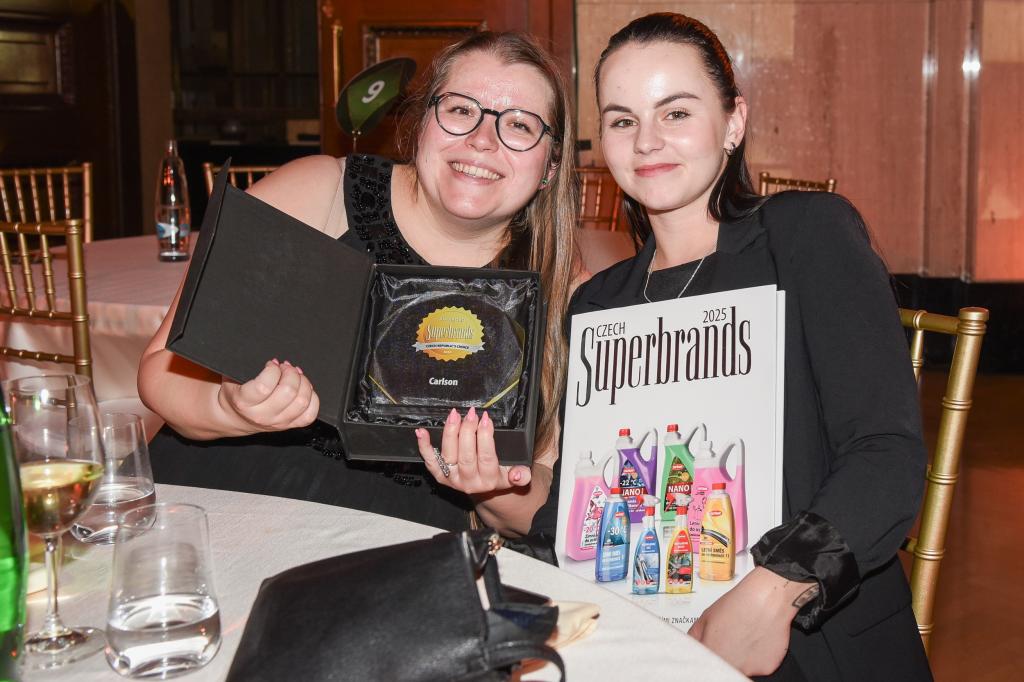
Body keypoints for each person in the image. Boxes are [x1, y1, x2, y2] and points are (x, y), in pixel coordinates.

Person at [531, 13, 931, 680]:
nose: (647, 140)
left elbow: (886, 458)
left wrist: (773, 590)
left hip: (811, 641)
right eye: (623, 120)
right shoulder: (599, 305)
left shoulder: (804, 236)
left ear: (734, 122)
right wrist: (497, 496)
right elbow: (583, 505)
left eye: (676, 112)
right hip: (639, 639)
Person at [139, 31, 582, 538]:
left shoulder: (563, 287)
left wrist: (493, 487)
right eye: (461, 110)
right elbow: (160, 373)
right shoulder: (320, 193)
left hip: (399, 543)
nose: (483, 139)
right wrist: (228, 407)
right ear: (421, 122)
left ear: (550, 166)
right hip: (228, 502)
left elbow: (547, 503)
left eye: (520, 124)